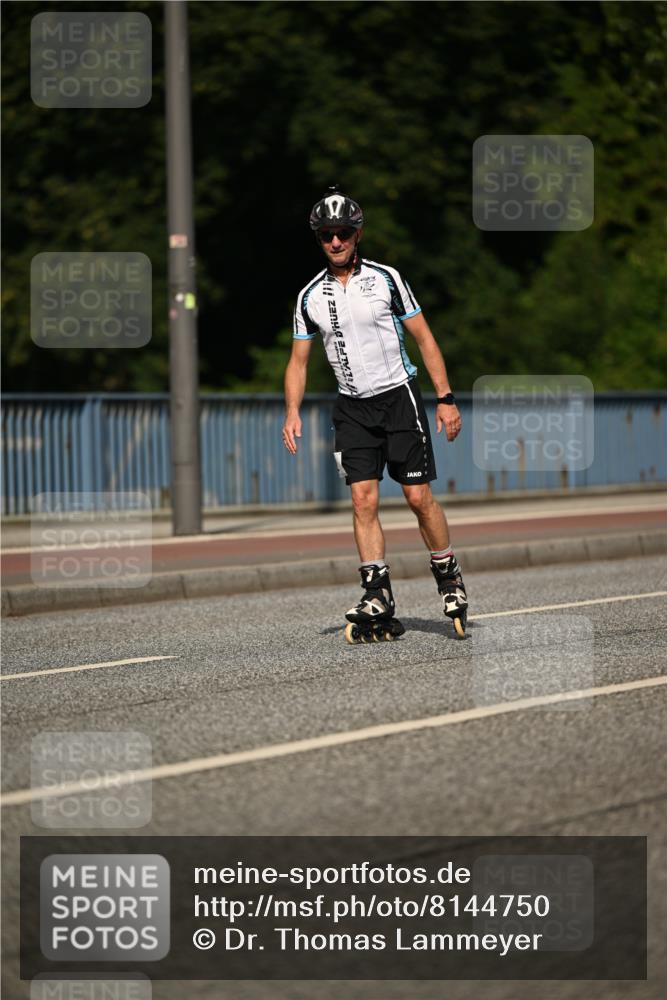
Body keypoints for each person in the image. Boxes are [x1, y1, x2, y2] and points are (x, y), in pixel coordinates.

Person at [282, 186, 468, 639]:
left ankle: (448, 576)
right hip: (351, 407)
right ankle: (377, 591)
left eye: (343, 232)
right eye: (327, 235)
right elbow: (298, 361)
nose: (336, 242)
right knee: (363, 499)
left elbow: (423, 338)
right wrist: (292, 411)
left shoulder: (387, 278)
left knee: (417, 498)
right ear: (319, 239)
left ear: (357, 233)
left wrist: (444, 398)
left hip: (398, 397)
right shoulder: (309, 296)